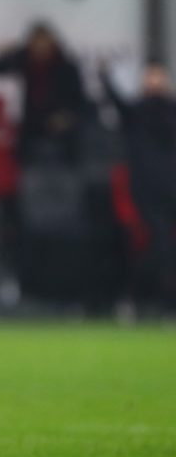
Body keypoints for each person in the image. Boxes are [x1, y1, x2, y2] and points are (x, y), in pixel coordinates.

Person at [100, 60, 176, 310]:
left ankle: (157, 298)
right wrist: (105, 77)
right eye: (150, 76)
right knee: (155, 242)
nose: (154, 81)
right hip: (145, 190)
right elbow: (117, 102)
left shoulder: (170, 111)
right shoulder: (136, 112)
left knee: (163, 244)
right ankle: (146, 299)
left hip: (171, 189)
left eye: (159, 76)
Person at [0, 22, 89, 166]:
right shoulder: (25, 59)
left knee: (74, 147)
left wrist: (67, 117)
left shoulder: (66, 65)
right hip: (32, 121)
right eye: (36, 42)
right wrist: (5, 54)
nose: (40, 47)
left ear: (52, 41)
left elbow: (80, 100)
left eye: (43, 41)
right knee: (18, 152)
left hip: (59, 120)